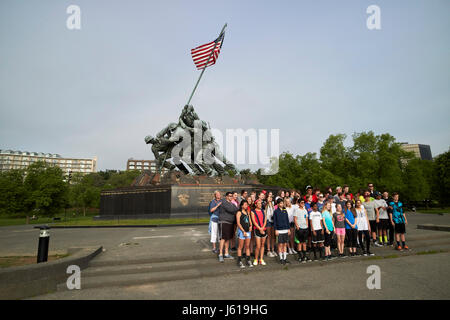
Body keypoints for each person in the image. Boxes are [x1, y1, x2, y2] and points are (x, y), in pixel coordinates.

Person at [218, 192, 239, 262]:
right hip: (224, 222)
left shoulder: (232, 204)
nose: (231, 197)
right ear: (226, 196)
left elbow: (236, 209)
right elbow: (232, 210)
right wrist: (235, 209)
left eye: (231, 196)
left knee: (228, 239)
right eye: (229, 196)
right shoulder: (224, 202)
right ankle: (220, 254)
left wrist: (235, 209)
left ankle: (226, 253)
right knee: (223, 238)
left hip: (230, 223)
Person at [236, 200, 253, 268]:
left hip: (248, 231)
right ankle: (239, 261)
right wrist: (243, 231)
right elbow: (238, 223)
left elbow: (250, 220)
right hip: (242, 232)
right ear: (242, 205)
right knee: (240, 247)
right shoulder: (239, 212)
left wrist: (251, 226)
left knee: (247, 246)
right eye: (245, 204)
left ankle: (248, 260)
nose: (246, 206)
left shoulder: (247, 212)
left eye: (247, 204)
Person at [273, 198, 291, 265]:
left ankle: (285, 258)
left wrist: (288, 229)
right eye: (280, 203)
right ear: (278, 204)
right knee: (280, 245)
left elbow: (287, 220)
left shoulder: (285, 210)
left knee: (285, 244)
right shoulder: (275, 211)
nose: (282, 204)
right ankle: (281, 259)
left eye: (282, 203)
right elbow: (275, 222)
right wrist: (276, 230)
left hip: (285, 230)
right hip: (279, 230)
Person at [251, 199, 267, 265]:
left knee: (263, 245)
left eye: (261, 203)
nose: (260, 205)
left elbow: (265, 220)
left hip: (264, 229)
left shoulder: (263, 211)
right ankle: (256, 259)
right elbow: (254, 221)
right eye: (259, 203)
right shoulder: (253, 212)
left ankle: (261, 259)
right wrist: (260, 229)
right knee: (258, 245)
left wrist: (263, 228)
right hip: (257, 229)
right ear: (256, 204)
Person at [294, 199, 310, 263]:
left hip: (305, 228)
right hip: (299, 228)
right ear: (299, 203)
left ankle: (304, 256)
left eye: (303, 202)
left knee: (304, 242)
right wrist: (297, 226)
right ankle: (300, 256)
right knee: (299, 242)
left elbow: (306, 218)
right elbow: (295, 219)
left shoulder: (305, 210)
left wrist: (307, 225)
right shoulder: (297, 210)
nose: (303, 204)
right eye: (301, 202)